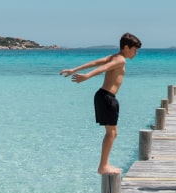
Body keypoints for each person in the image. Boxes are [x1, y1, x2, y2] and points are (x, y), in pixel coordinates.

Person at [60, 33, 142, 175]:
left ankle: (105, 164)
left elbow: (95, 62)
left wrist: (75, 69)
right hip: (107, 98)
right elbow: (102, 68)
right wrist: (86, 76)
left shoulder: (113, 57)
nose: (136, 52)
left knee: (112, 133)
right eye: (135, 49)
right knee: (111, 133)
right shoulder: (121, 60)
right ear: (126, 47)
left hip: (102, 96)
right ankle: (103, 166)